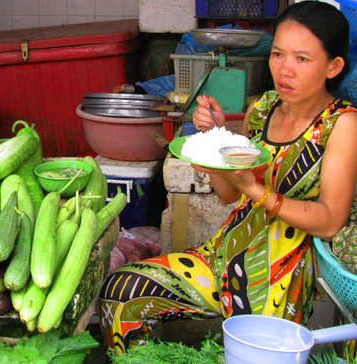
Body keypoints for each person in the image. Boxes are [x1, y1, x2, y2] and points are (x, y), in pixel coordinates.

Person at [99, 1, 357, 354]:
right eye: (278, 54)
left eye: (302, 59)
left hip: (281, 273)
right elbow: (228, 196)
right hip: (224, 255)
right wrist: (218, 141)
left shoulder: (342, 125)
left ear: (334, 66)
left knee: (250, 351)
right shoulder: (262, 108)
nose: (285, 70)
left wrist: (258, 190)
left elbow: (329, 221)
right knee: (122, 292)